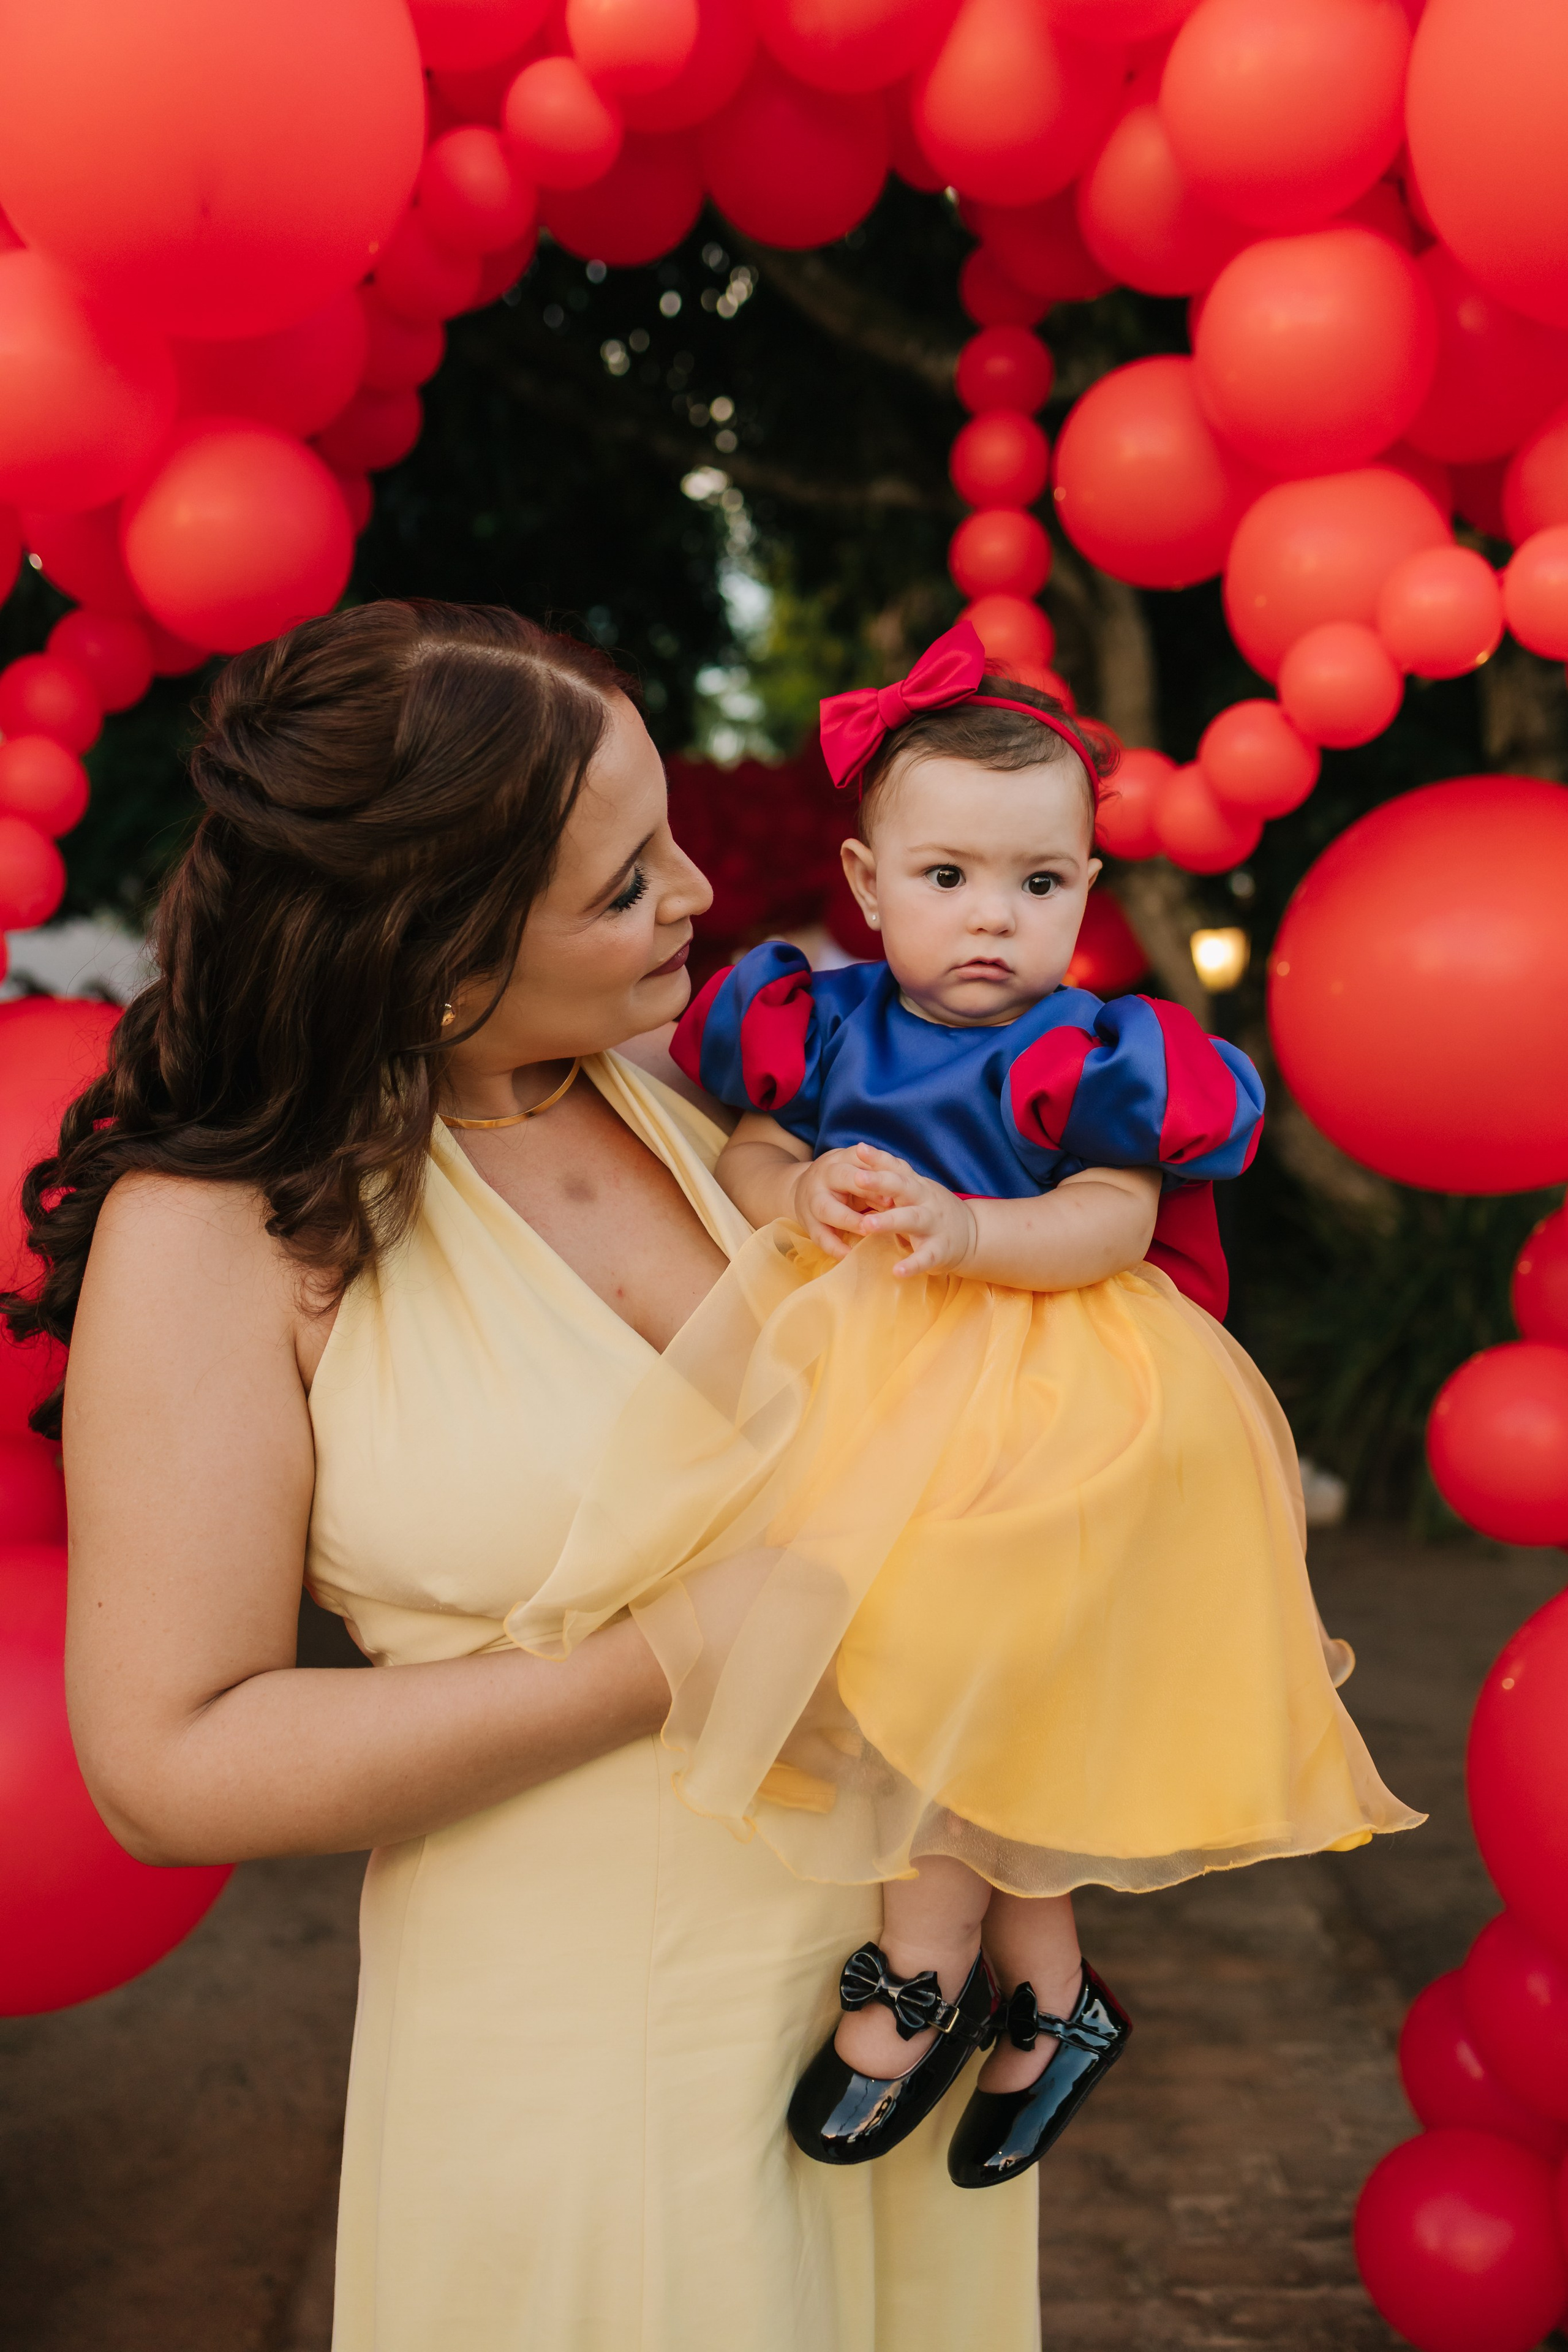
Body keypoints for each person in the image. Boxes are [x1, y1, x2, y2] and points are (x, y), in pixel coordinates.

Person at [6, 602, 1044, 2352]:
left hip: (877, 2016)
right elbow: (166, 1768)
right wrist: (672, 1655)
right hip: (584, 2042)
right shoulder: (214, 1244)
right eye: (626, 883)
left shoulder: (694, 1097)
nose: (700, 895)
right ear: (436, 960)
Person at [505, 619, 1422, 2193]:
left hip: (1054, 1387)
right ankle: (1048, 1999)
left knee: (953, 1670)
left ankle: (921, 1986)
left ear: (1086, 888)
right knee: (891, 1673)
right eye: (947, 880)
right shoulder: (816, 1019)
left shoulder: (1100, 1051)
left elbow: (1113, 1223)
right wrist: (804, 1192)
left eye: (1038, 884)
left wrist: (967, 1231)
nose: (992, 919)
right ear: (866, 887)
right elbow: (744, 1158)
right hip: (869, 1384)